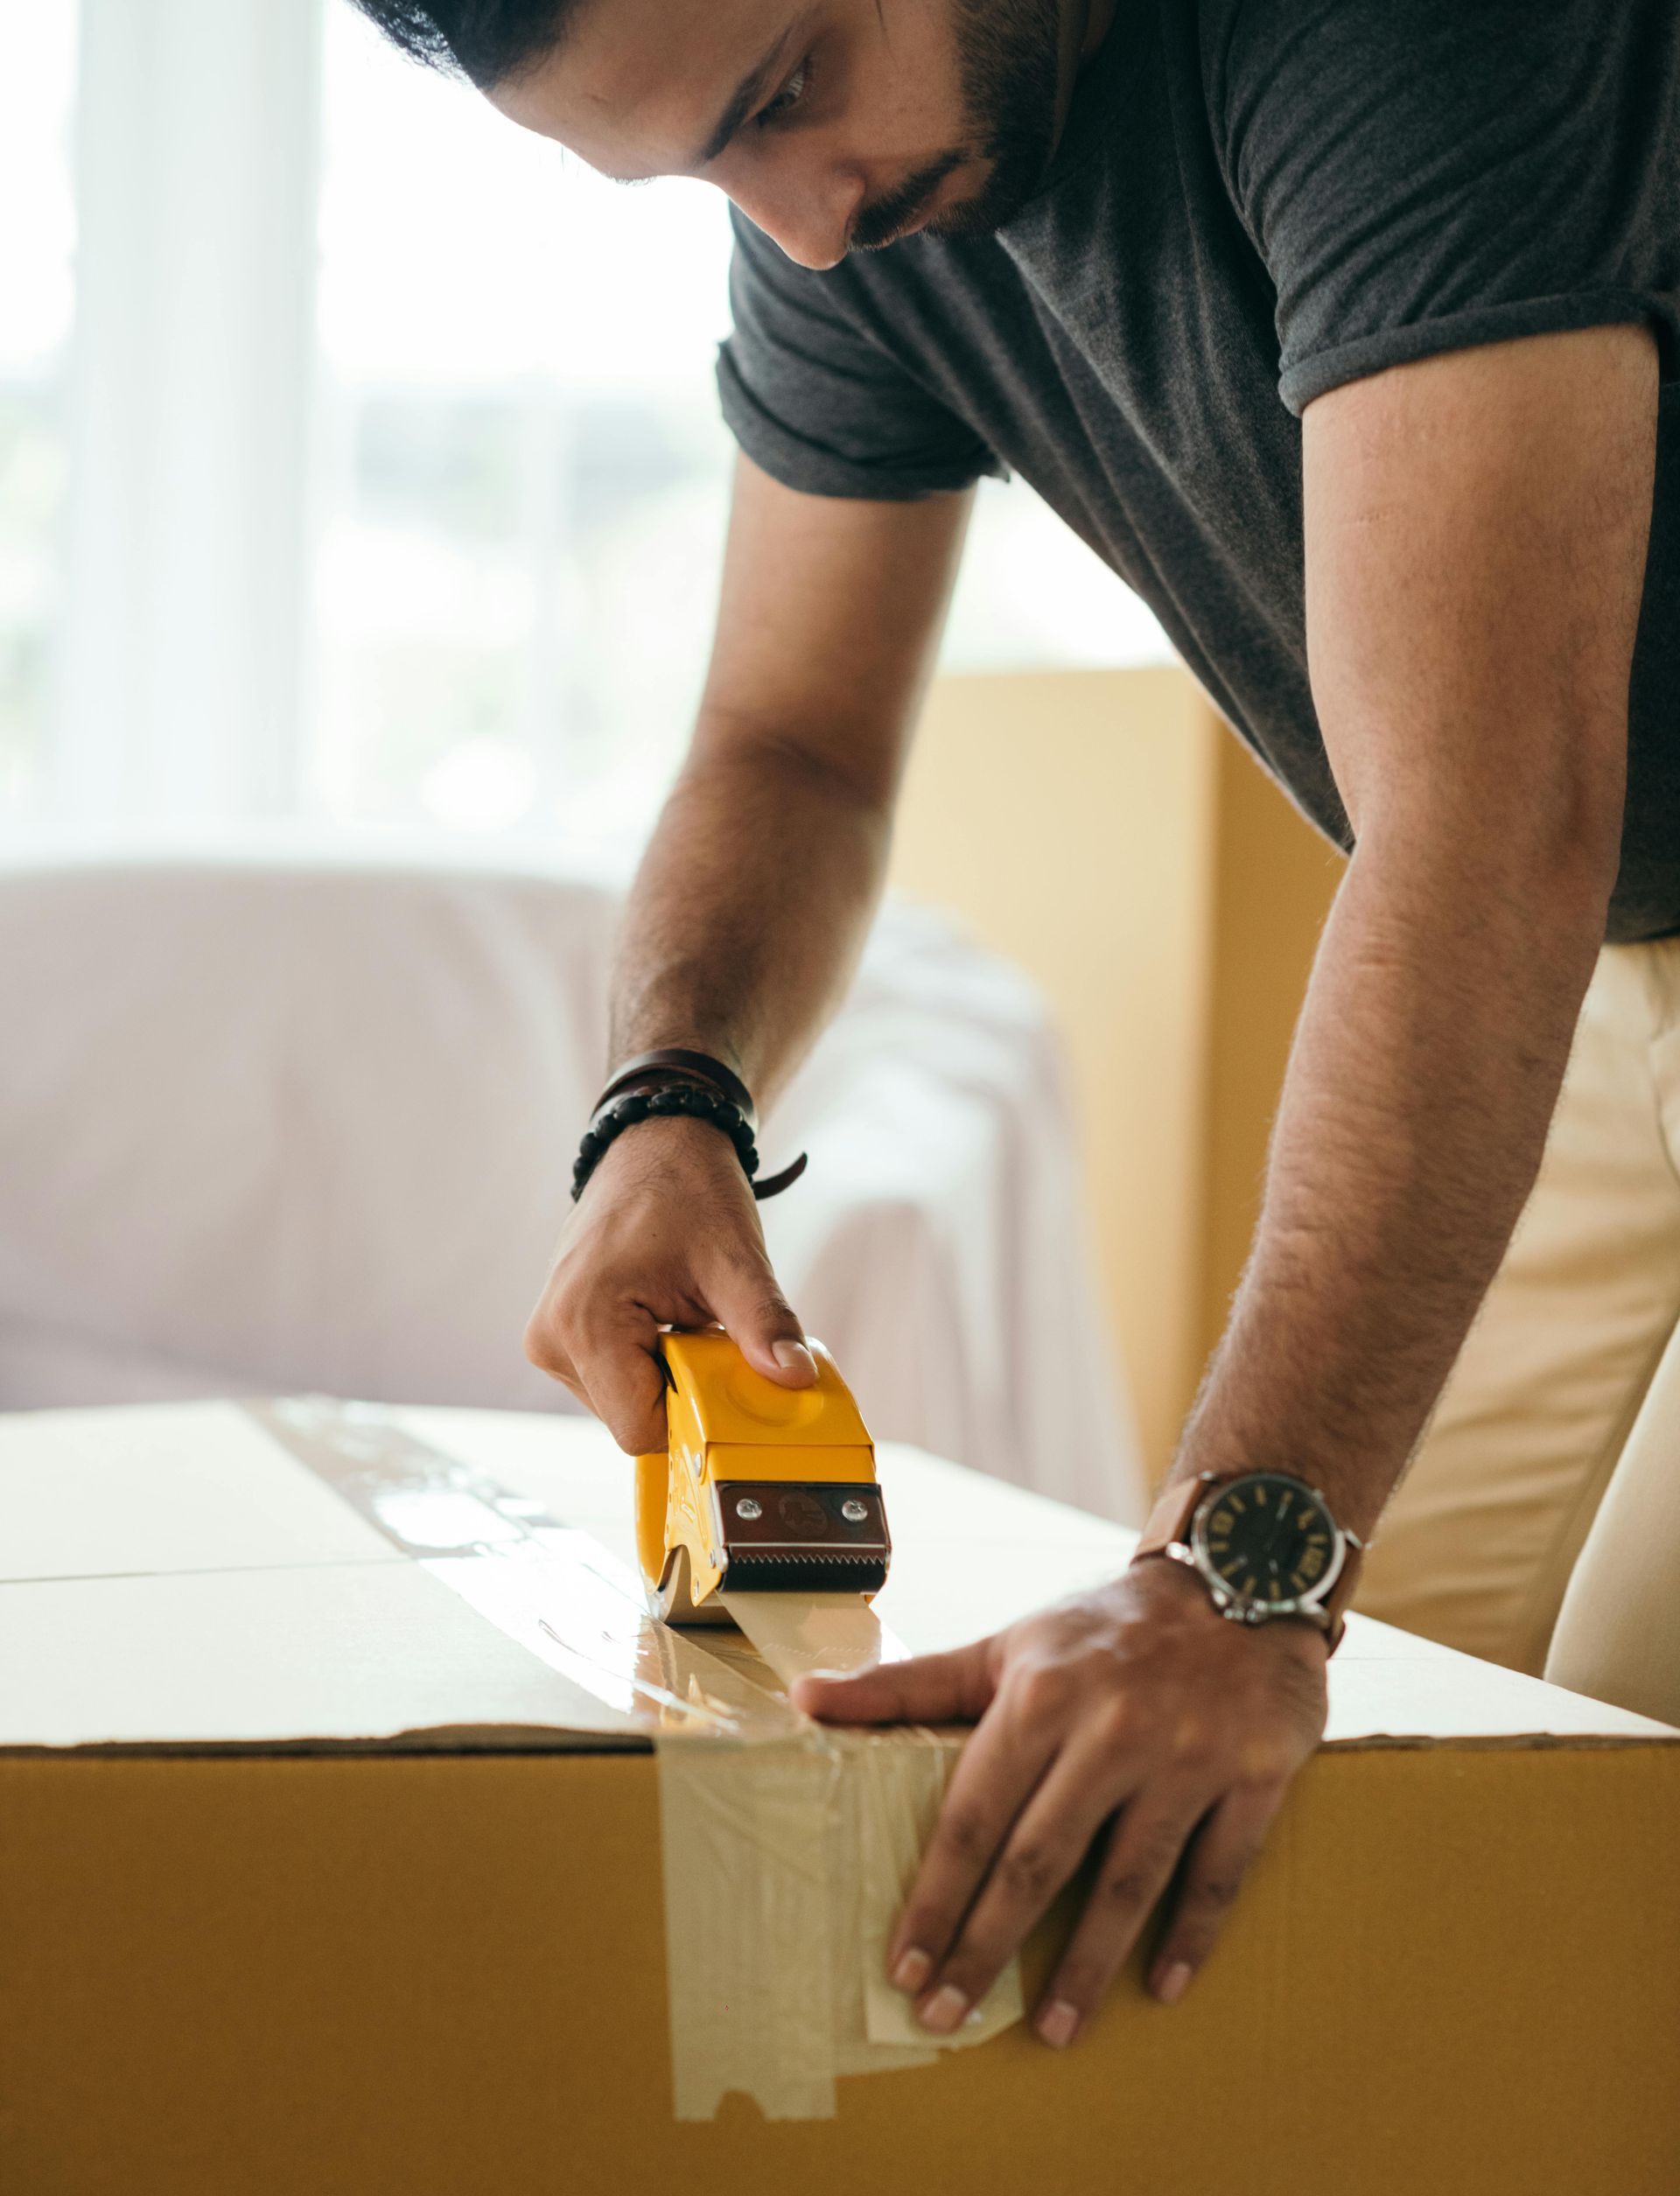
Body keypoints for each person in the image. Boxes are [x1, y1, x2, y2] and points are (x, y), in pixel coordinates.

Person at [354, 0, 1679, 2047]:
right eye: (707, 168)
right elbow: (787, 744)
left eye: (783, 95)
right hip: (1595, 973)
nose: (800, 227)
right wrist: (665, 1109)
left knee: (1618, 1817)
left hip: (1535, 879)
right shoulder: (852, 199)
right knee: (1366, 1811)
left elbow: (1491, 822)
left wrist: (1235, 1580)